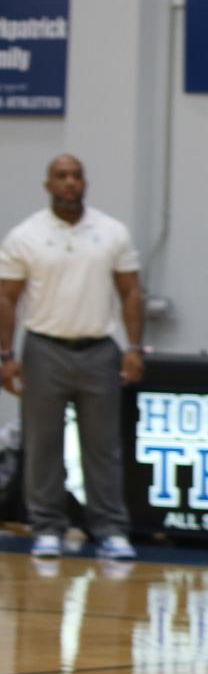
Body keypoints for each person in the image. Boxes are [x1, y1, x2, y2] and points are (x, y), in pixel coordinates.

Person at [0, 155, 145, 561]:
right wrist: (6, 355)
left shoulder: (111, 231)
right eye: (61, 176)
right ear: (47, 184)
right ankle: (47, 527)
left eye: (76, 176)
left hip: (99, 348)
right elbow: (6, 298)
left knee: (103, 446)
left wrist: (133, 347)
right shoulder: (25, 235)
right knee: (42, 443)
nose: (69, 182)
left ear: (85, 183)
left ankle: (110, 529)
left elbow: (131, 291)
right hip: (44, 348)